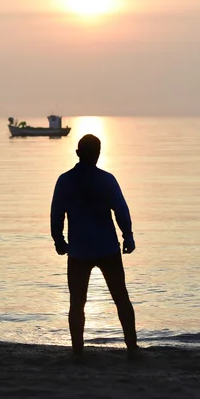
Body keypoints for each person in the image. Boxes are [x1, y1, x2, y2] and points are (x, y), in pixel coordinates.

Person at [51, 134, 139, 359]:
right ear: (98, 154)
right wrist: (127, 236)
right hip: (107, 248)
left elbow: (56, 214)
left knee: (77, 302)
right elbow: (121, 210)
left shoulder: (65, 180)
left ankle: (78, 350)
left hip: (79, 251)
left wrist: (59, 240)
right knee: (121, 298)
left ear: (78, 153)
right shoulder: (106, 180)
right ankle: (132, 347)